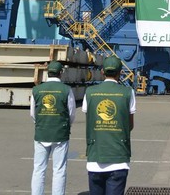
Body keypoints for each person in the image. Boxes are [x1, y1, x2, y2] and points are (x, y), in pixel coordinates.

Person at [83, 56, 136, 195]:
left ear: (102, 71)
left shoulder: (90, 92)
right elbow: (129, 125)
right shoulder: (128, 92)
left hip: (95, 158)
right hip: (119, 158)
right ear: (120, 72)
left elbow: (90, 119)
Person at [30, 60, 76, 195]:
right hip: (60, 133)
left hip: (42, 132)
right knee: (59, 169)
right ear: (60, 73)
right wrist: (65, 125)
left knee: (39, 169)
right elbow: (71, 113)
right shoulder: (66, 90)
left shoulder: (36, 90)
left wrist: (41, 123)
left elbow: (33, 114)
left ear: (47, 72)